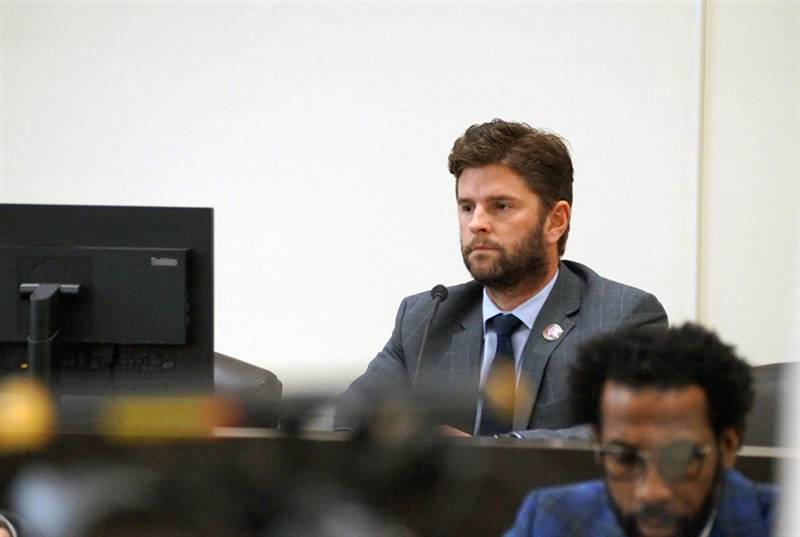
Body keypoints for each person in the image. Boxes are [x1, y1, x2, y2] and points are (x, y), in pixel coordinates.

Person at [334, 119, 667, 437]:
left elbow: (628, 432)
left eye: (501, 206)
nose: (477, 223)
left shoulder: (620, 317)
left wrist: (488, 454)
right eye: (467, 207)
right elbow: (351, 419)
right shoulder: (425, 318)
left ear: (555, 221)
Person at [504, 324, 775, 537]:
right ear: (599, 447)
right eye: (625, 459)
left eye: (679, 459)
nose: (651, 493)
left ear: (727, 445)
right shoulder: (554, 519)